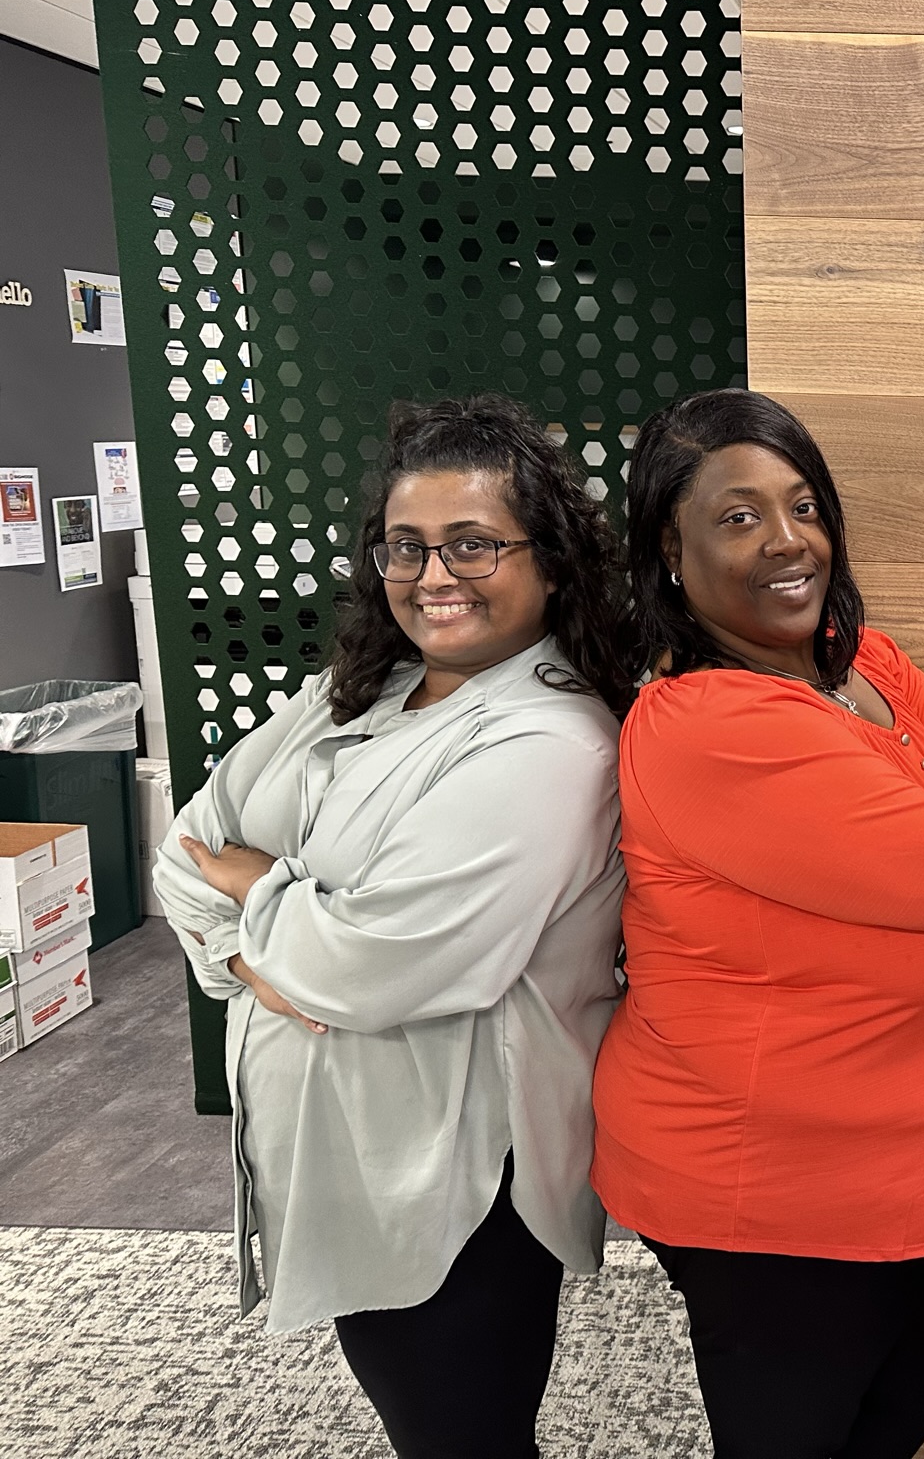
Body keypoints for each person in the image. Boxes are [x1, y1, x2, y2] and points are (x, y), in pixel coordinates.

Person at [153, 395, 633, 1459]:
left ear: (549, 563)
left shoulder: (553, 742)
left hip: (455, 1180)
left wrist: (261, 895)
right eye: (404, 547)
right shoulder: (363, 691)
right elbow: (187, 848)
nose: (431, 576)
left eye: (474, 545)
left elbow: (375, 967)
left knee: (461, 1432)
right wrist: (258, 939)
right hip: (343, 1153)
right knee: (416, 1410)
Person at [591, 388, 924, 1459]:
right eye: (737, 517)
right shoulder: (709, 725)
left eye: (802, 506)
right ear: (669, 550)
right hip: (771, 1187)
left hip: (919, 1163)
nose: (786, 541)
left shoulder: (859, 662)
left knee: (896, 1411)